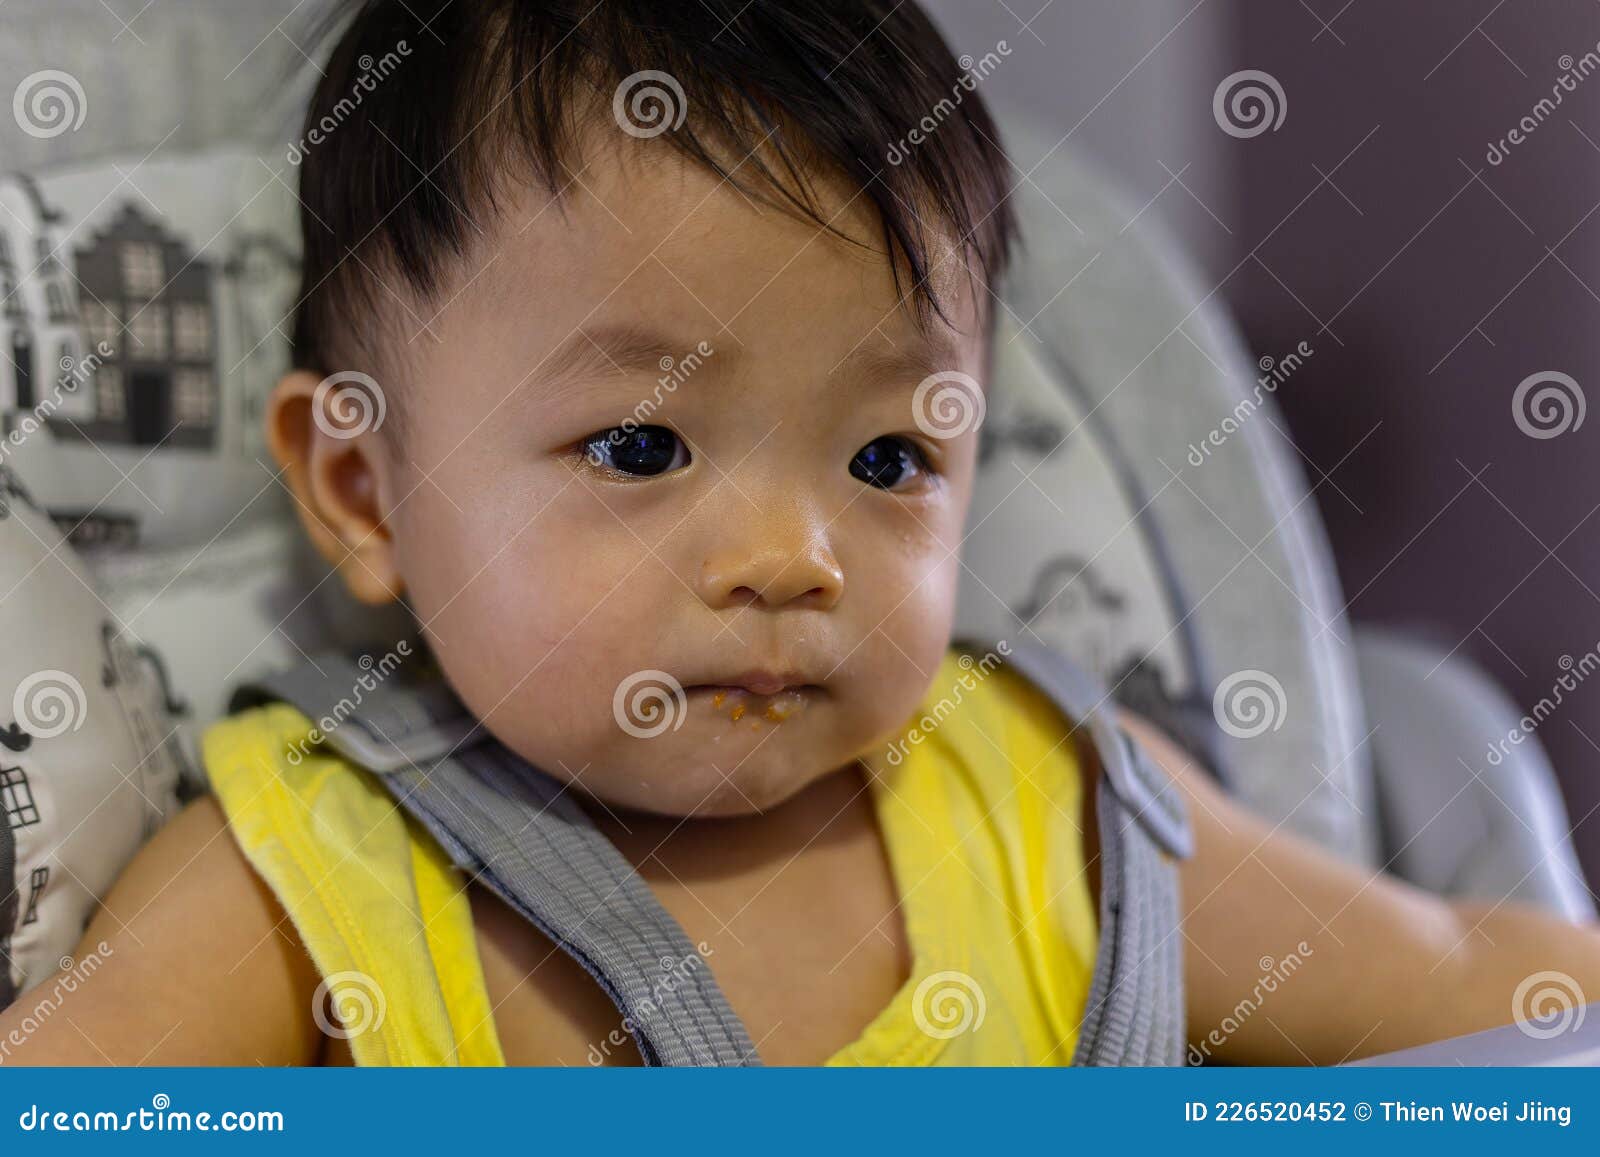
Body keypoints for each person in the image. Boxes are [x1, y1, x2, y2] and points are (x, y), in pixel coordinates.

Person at [4, 0, 1598, 1067]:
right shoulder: (301, 874)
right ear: (361, 490)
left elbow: (1477, 977)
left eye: (891, 453)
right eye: (641, 445)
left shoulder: (1053, 807)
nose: (793, 556)